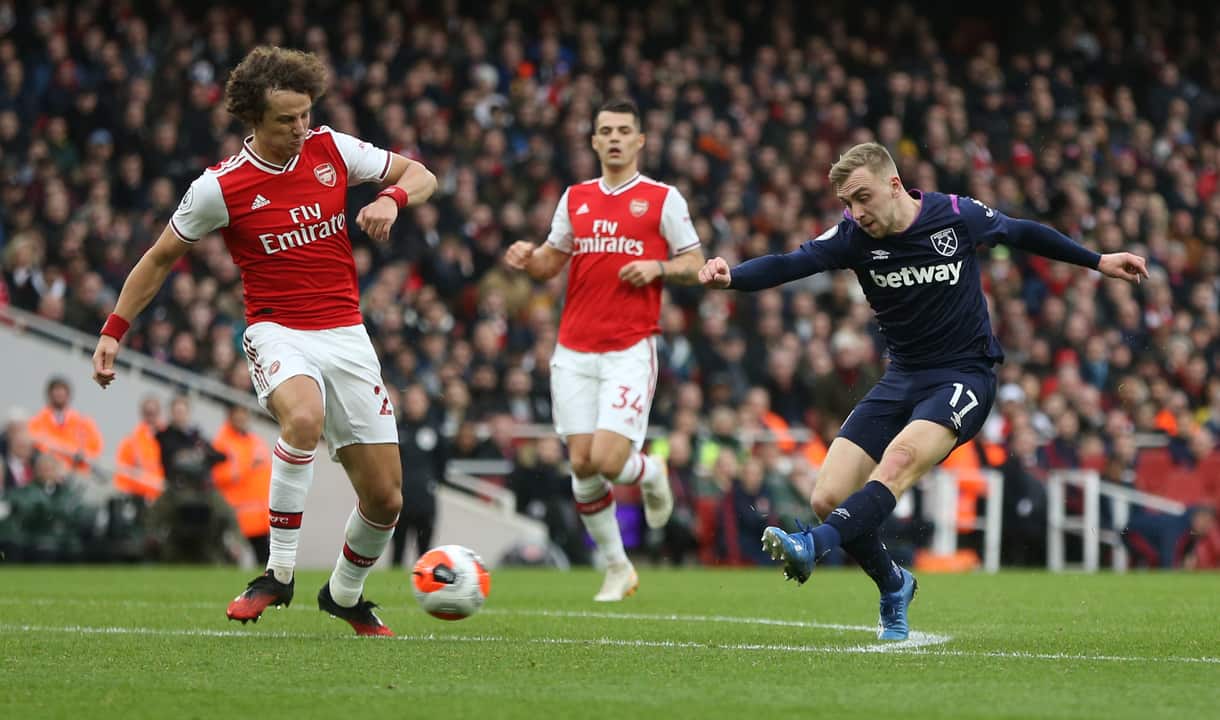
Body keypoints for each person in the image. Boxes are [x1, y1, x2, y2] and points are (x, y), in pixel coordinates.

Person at [699, 142, 1148, 639]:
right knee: (828, 494)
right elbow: (790, 263)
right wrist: (731, 278)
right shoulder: (852, 237)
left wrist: (1097, 259)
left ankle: (812, 544)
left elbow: (1020, 231)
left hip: (964, 375)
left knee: (897, 462)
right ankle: (894, 585)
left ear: (894, 185)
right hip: (902, 377)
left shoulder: (954, 215)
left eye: (863, 197)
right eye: (848, 203)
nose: (856, 212)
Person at [90, 46, 437, 636]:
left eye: (305, 114)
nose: (301, 127)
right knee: (302, 419)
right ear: (253, 118)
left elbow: (421, 173)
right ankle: (277, 574)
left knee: (386, 500)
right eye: (286, 119)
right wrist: (113, 332)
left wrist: (389, 197)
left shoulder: (332, 149)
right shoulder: (219, 188)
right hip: (277, 329)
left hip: (347, 334)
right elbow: (158, 259)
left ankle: (345, 596)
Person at [504, 98, 705, 601]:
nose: (614, 138)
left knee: (610, 460)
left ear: (639, 141)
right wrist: (528, 259)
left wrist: (658, 268)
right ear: (593, 141)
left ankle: (651, 471)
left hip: (630, 347)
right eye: (605, 131)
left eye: (623, 131)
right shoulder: (576, 198)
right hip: (573, 349)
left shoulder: (663, 199)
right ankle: (617, 567)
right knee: (582, 464)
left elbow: (695, 261)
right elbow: (552, 263)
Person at [211, 403, 273, 564]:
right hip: (236, 515)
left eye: (244, 413)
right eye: (237, 414)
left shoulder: (255, 441)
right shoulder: (222, 443)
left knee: (264, 562)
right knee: (231, 561)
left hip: (260, 516)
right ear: (229, 416)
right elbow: (218, 476)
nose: (241, 418)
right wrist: (248, 468)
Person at [391, 384, 444, 567]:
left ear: (426, 403)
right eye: (411, 400)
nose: (414, 405)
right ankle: (394, 588)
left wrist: (431, 482)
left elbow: (442, 462)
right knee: (398, 549)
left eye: (418, 400)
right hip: (400, 499)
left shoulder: (435, 430)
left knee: (425, 553)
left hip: (425, 500)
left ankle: (425, 586)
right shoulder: (396, 429)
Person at [26, 376, 103, 476]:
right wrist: (66, 451)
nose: (59, 395)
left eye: (62, 391)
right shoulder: (37, 421)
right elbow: (34, 442)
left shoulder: (83, 423)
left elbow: (94, 451)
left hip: (75, 475)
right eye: (56, 391)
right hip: (46, 473)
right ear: (49, 395)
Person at [113, 395, 166, 501]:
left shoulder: (168, 438)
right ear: (142, 414)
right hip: (138, 497)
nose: (151, 416)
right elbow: (122, 471)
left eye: (154, 413)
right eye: (148, 413)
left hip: (162, 499)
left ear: (159, 413)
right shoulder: (131, 441)